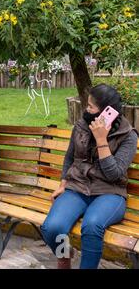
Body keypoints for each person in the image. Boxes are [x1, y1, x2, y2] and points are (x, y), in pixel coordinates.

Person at [40, 84, 138, 269]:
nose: (87, 109)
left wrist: (101, 140)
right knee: (53, 228)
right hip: (77, 187)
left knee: (92, 227)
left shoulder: (127, 135)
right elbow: (70, 156)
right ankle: (65, 254)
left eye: (91, 107)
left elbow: (114, 174)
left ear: (106, 112)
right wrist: (63, 183)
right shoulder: (82, 125)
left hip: (110, 192)